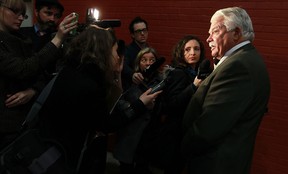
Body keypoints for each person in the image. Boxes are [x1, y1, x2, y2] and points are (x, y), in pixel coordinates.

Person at [37, 25, 161, 174]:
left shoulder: (73, 70)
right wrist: (140, 103)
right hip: (67, 155)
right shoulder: (89, 84)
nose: (117, 56)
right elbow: (106, 124)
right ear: (102, 52)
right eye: (115, 51)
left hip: (51, 147)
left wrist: (118, 72)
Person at [181, 7, 270, 174]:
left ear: (236, 33)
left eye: (214, 31)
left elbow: (207, 130)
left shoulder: (238, 66)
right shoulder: (245, 59)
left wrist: (182, 147)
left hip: (215, 164)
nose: (208, 39)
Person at [0, 0, 77, 150]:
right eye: (15, 12)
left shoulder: (20, 39)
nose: (21, 18)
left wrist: (32, 90)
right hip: (5, 121)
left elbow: (42, 73)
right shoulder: (17, 39)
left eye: (23, 14)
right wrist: (58, 38)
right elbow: (24, 68)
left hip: (23, 119)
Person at [138, 35, 207, 174]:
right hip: (175, 133)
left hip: (187, 130)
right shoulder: (179, 73)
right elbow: (172, 105)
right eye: (187, 49)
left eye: (196, 49)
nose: (192, 53)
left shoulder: (197, 72)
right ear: (181, 52)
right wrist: (193, 87)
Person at [113, 47, 163, 174]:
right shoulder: (131, 79)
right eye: (144, 60)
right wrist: (134, 106)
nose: (148, 63)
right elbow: (119, 100)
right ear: (138, 62)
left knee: (142, 167)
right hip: (129, 132)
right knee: (125, 167)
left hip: (147, 136)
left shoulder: (161, 82)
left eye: (152, 60)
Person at [20, 0, 65, 77]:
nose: (52, 19)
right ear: (37, 12)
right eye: (48, 13)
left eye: (57, 16)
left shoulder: (61, 38)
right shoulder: (21, 33)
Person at [122, 16, 149, 91]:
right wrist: (132, 74)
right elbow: (123, 65)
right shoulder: (127, 50)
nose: (142, 33)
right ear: (132, 35)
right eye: (138, 31)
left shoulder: (149, 49)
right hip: (133, 88)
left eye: (144, 30)